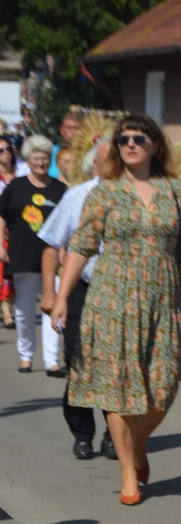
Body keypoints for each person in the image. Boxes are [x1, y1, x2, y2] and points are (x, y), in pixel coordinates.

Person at [52, 113, 181, 506]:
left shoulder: (175, 191)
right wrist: (62, 297)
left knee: (164, 387)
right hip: (111, 300)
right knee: (117, 391)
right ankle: (127, 473)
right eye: (123, 139)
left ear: (155, 144)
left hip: (162, 301)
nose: (130, 144)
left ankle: (137, 445)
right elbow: (81, 246)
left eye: (139, 138)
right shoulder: (104, 192)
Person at [39, 136, 115, 460]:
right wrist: (52, 292)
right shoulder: (77, 196)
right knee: (79, 361)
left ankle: (115, 434)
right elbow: (51, 244)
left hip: (120, 291)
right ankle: (82, 432)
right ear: (94, 165)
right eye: (109, 158)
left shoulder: (140, 195)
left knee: (118, 365)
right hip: (81, 287)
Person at [0, 134, 66, 374]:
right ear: (27, 160)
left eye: (45, 158)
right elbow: (2, 216)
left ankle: (52, 360)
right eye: (36, 158)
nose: (41, 163)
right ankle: (26, 355)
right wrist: (0, 246)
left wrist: (65, 251)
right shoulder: (15, 187)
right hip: (22, 255)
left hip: (55, 257)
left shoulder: (60, 189)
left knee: (53, 308)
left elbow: (69, 224)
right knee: (25, 309)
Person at [0, 135, 18, 329]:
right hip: (0, 231)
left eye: (7, 149)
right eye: (1, 150)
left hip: (16, 231)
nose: (5, 154)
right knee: (2, 273)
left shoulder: (20, 173)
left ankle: (9, 309)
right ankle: (7, 314)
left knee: (13, 273)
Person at [49, 111, 80, 180]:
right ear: (62, 130)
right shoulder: (51, 152)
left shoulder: (88, 153)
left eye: (76, 128)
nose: (73, 132)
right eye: (69, 128)